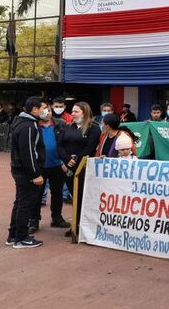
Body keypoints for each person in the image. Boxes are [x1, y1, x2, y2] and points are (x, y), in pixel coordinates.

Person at [6, 96, 48, 248]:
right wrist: (35, 174)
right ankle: (21, 238)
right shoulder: (29, 126)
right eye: (44, 108)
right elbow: (28, 152)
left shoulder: (22, 122)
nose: (46, 110)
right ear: (35, 109)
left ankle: (13, 235)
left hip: (19, 170)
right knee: (24, 204)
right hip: (26, 172)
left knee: (19, 203)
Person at [57, 102, 100, 237]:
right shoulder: (68, 127)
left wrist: (75, 160)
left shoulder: (93, 128)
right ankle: (75, 224)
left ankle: (83, 226)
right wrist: (66, 160)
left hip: (84, 168)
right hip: (68, 168)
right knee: (74, 196)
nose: (73, 114)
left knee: (82, 197)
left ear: (85, 112)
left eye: (76, 111)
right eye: (72, 112)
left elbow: (90, 147)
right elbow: (60, 145)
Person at [29, 105, 70, 234]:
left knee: (57, 193)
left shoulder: (60, 124)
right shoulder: (33, 125)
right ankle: (34, 220)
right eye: (45, 110)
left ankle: (57, 218)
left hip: (57, 165)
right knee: (36, 195)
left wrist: (65, 161)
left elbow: (66, 143)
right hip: (40, 166)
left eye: (49, 110)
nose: (48, 112)